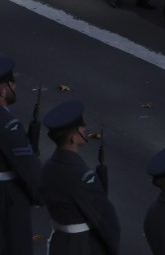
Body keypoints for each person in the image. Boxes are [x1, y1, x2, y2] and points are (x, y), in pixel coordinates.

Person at [40, 100, 121, 255]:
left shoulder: (48, 167)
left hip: (59, 242)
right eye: (81, 128)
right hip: (81, 245)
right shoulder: (82, 176)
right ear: (74, 138)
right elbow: (106, 220)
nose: (84, 130)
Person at [0, 58, 42, 255]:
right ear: (2, 90)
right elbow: (29, 170)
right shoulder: (9, 125)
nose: (15, 86)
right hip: (8, 199)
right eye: (11, 83)